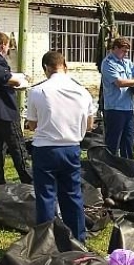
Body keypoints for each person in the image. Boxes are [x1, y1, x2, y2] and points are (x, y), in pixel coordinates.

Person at [26, 50, 94, 241]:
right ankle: (77, 239)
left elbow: (32, 124)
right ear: (65, 66)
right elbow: (89, 124)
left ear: (46, 68)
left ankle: (46, 241)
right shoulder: (82, 91)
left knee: (46, 197)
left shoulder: (37, 91)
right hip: (71, 147)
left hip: (45, 148)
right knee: (73, 195)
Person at [0, 31, 33, 185]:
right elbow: (5, 78)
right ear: (3, 45)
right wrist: (21, 82)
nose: (8, 48)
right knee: (18, 148)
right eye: (8, 45)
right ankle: (29, 179)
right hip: (6, 111)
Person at [100, 37, 134, 159]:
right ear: (115, 48)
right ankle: (110, 164)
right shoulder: (108, 63)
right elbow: (119, 82)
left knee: (128, 139)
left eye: (127, 51)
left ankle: (128, 164)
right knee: (113, 140)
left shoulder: (127, 63)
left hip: (128, 107)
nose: (125, 53)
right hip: (114, 108)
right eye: (123, 50)